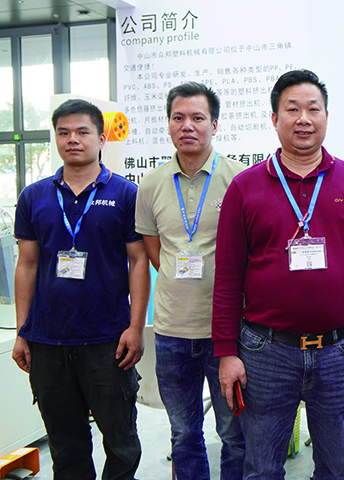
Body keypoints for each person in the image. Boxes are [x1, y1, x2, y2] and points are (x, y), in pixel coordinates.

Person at [213, 69, 344, 480]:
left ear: (327, 117)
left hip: (341, 351)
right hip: (265, 351)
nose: (303, 119)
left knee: (337, 468)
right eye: (292, 109)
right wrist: (226, 352)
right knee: (262, 468)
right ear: (274, 119)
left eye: (313, 109)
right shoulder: (245, 187)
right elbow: (227, 278)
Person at [12, 99, 149, 480]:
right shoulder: (34, 196)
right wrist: (22, 331)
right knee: (65, 444)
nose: (72, 139)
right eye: (64, 132)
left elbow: (138, 261)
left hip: (108, 340)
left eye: (82, 131)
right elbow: (27, 264)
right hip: (48, 340)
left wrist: (135, 327)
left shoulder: (125, 194)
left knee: (121, 441)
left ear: (101, 139)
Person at [135, 82, 246, 480]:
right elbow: (155, 251)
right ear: (168, 124)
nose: (187, 126)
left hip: (226, 331)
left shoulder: (238, 179)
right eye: (178, 118)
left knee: (235, 433)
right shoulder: (151, 184)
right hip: (171, 332)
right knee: (183, 433)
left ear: (214, 125)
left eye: (198, 118)